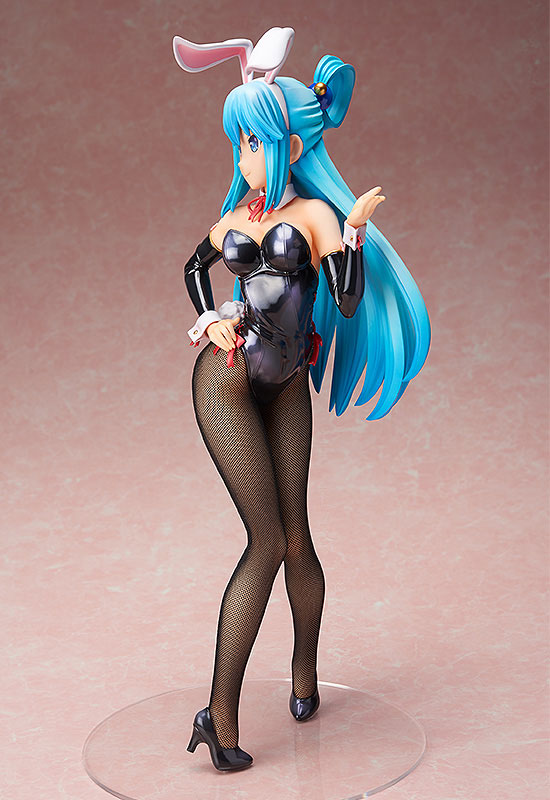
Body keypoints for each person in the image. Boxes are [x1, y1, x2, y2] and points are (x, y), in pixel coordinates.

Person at [173, 27, 431, 772]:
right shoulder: (236, 219)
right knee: (266, 540)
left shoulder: (314, 219)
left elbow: (344, 303)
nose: (244, 159)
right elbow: (193, 267)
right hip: (227, 379)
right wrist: (211, 318)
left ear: (288, 144)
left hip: (285, 384)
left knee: (298, 536)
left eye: (254, 143)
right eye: (239, 146)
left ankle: (305, 672)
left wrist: (354, 237)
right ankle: (218, 717)